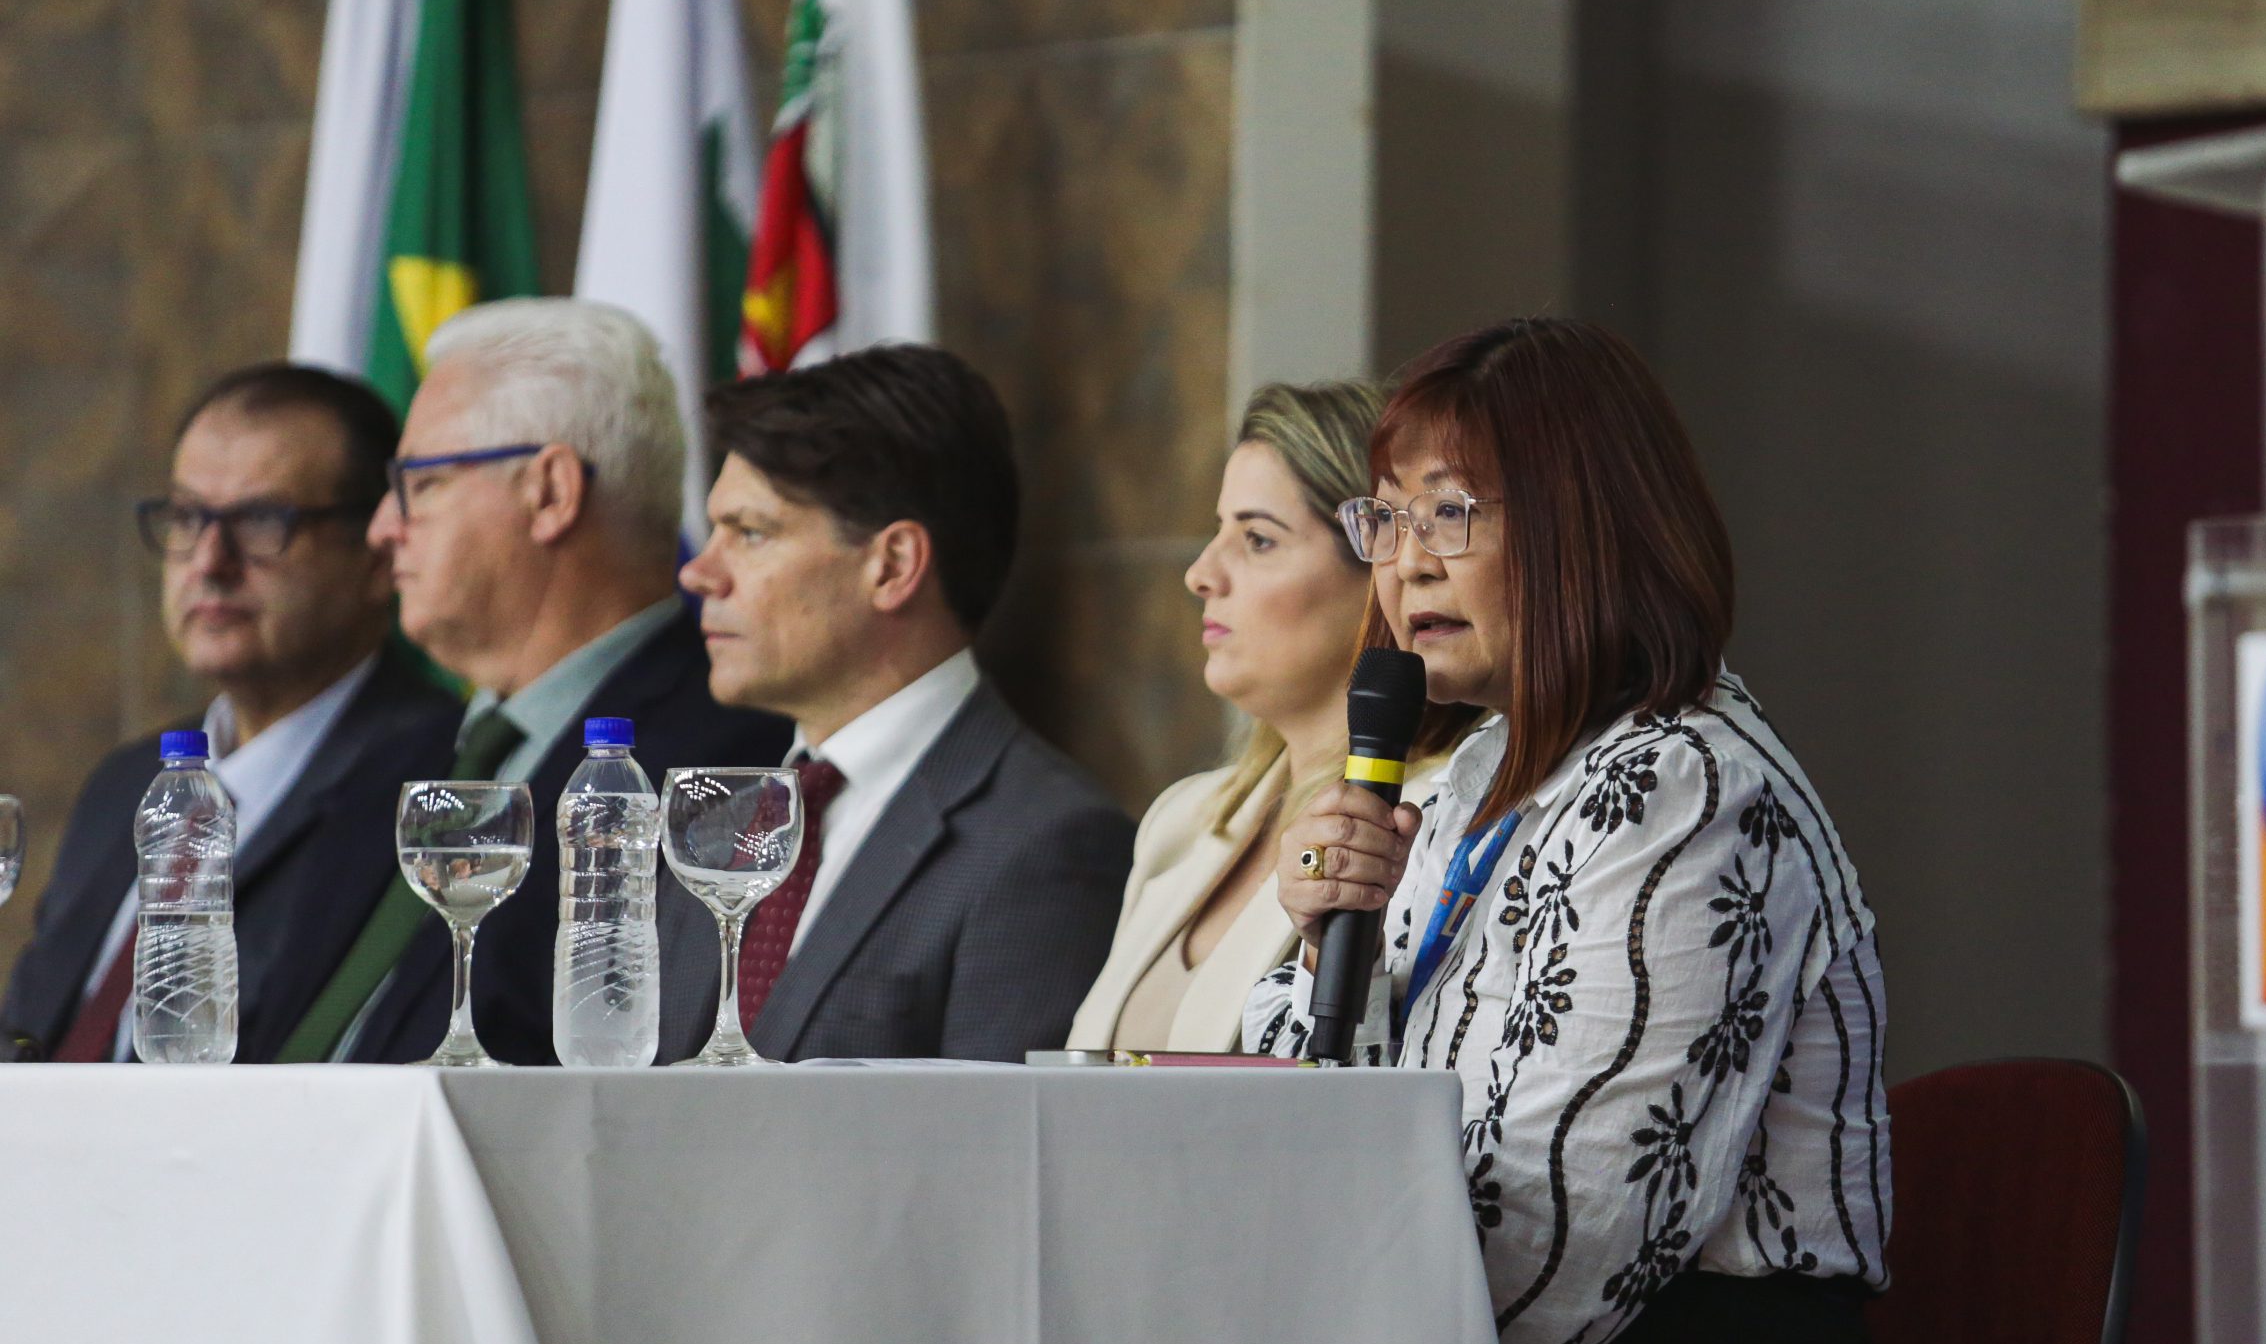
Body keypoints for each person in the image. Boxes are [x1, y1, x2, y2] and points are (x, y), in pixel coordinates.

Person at [1248, 318, 1894, 1344]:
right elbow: (1298, 1134)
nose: (1406, 564)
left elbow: (1572, 1233)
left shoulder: (1688, 791)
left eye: (1452, 513)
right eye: (1387, 518)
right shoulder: (1466, 785)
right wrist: (1320, 942)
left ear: (1589, 526)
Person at [281, 299, 791, 1066]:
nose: (383, 526)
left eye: (422, 481)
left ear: (550, 492)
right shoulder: (392, 758)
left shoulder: (722, 770)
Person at [665, 343, 1132, 1061]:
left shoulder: (1048, 844)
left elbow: (1004, 1132)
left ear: (893, 565)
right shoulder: (717, 824)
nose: (699, 573)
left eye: (751, 533)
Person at [1, 364, 456, 1063]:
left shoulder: (434, 788)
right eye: (188, 517)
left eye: (262, 519)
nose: (210, 561)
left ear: (375, 554)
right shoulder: (127, 782)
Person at [1067, 382, 1462, 1052]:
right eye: (1217, 531)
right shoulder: (1184, 821)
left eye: (1257, 539)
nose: (1200, 573)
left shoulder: (1437, 819)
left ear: (1380, 566)